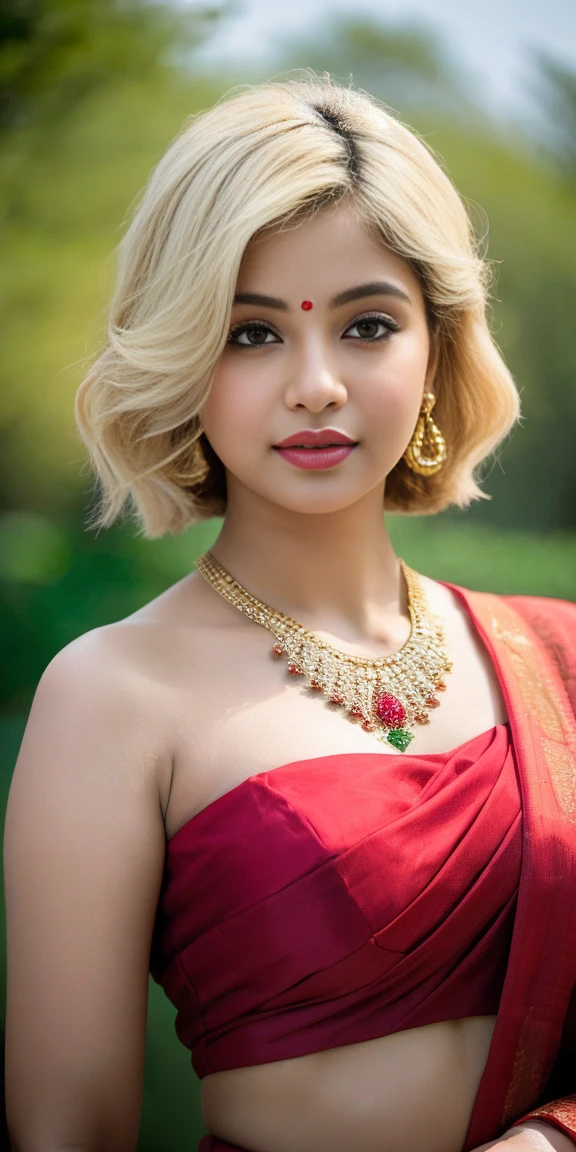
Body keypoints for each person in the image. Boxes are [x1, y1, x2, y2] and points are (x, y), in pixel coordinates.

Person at [4, 73, 576, 1152]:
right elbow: (65, 1130)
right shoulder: (113, 696)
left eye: (367, 325)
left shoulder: (558, 659)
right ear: (180, 355)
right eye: (252, 334)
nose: (316, 384)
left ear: (437, 346)